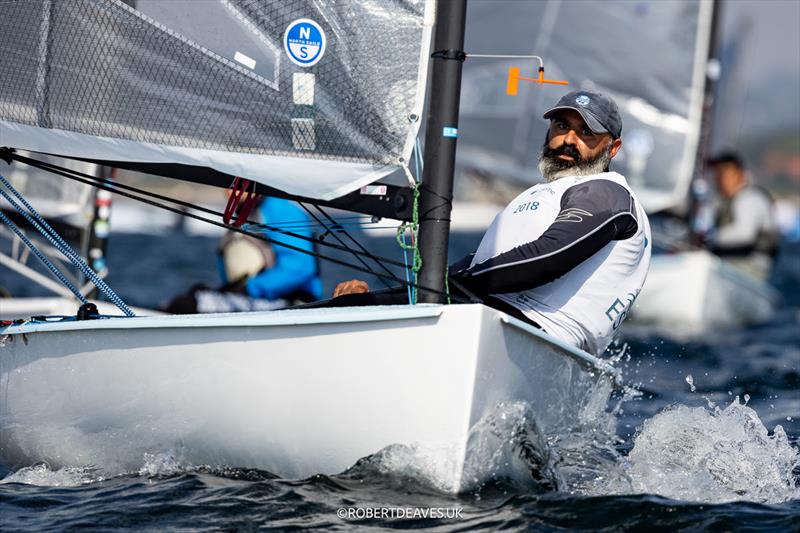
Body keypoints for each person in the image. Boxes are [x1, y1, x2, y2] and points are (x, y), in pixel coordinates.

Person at [333, 90, 651, 356]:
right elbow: (468, 272)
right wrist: (369, 302)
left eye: (586, 133)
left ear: (613, 148)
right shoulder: (542, 195)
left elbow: (547, 259)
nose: (568, 140)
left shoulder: (607, 193)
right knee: (341, 308)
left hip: (540, 335)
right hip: (486, 317)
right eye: (561, 125)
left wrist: (437, 290)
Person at [165, 197, 323, 313]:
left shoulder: (279, 209)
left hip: (289, 302)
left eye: (234, 181)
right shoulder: (241, 213)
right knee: (185, 300)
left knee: (186, 305)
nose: (228, 190)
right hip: (253, 300)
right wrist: (227, 291)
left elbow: (300, 268)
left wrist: (249, 289)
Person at [704, 152, 779, 280]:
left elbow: (744, 233)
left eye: (725, 172)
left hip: (749, 270)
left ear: (740, 174)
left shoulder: (751, 198)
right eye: (717, 173)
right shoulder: (720, 202)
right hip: (723, 266)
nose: (719, 177)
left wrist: (705, 238)